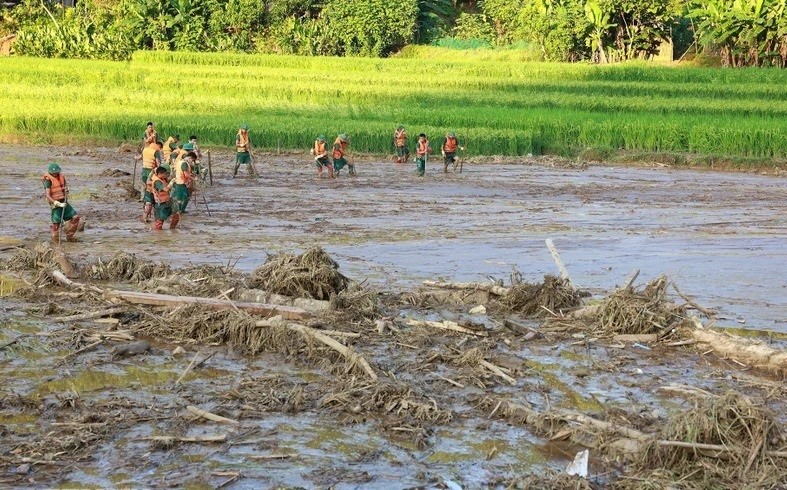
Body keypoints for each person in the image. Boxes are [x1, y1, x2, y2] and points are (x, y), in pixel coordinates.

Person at [42, 162, 80, 243]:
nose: (55, 174)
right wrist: (57, 203)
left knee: (75, 217)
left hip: (64, 201)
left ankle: (69, 236)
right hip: (55, 204)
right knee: (56, 225)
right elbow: (48, 195)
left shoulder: (61, 176)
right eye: (53, 173)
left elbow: (65, 186)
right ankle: (56, 242)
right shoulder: (48, 180)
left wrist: (66, 190)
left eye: (56, 173)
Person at [151, 165, 179, 230]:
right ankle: (158, 235)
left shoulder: (162, 179)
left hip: (167, 201)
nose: (166, 175)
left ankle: (172, 229)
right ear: (160, 174)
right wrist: (171, 183)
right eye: (165, 174)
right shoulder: (157, 182)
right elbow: (166, 189)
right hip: (161, 204)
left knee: (176, 214)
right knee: (160, 221)